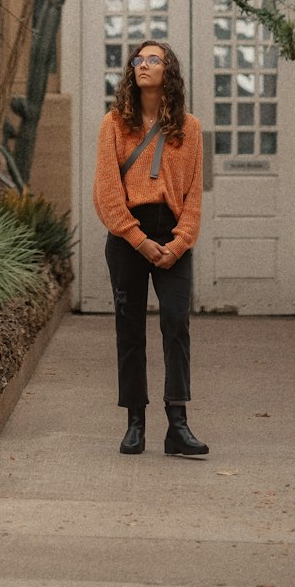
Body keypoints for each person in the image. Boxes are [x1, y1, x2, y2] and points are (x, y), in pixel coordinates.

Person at [92, 39, 208, 458]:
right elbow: (106, 194)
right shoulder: (114, 124)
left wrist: (177, 245)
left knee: (176, 325)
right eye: (138, 60)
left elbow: (194, 196)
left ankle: (177, 424)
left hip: (172, 235)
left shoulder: (189, 128)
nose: (143, 65)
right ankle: (134, 423)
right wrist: (140, 241)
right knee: (130, 329)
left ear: (168, 71)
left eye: (153, 59)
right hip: (128, 239)